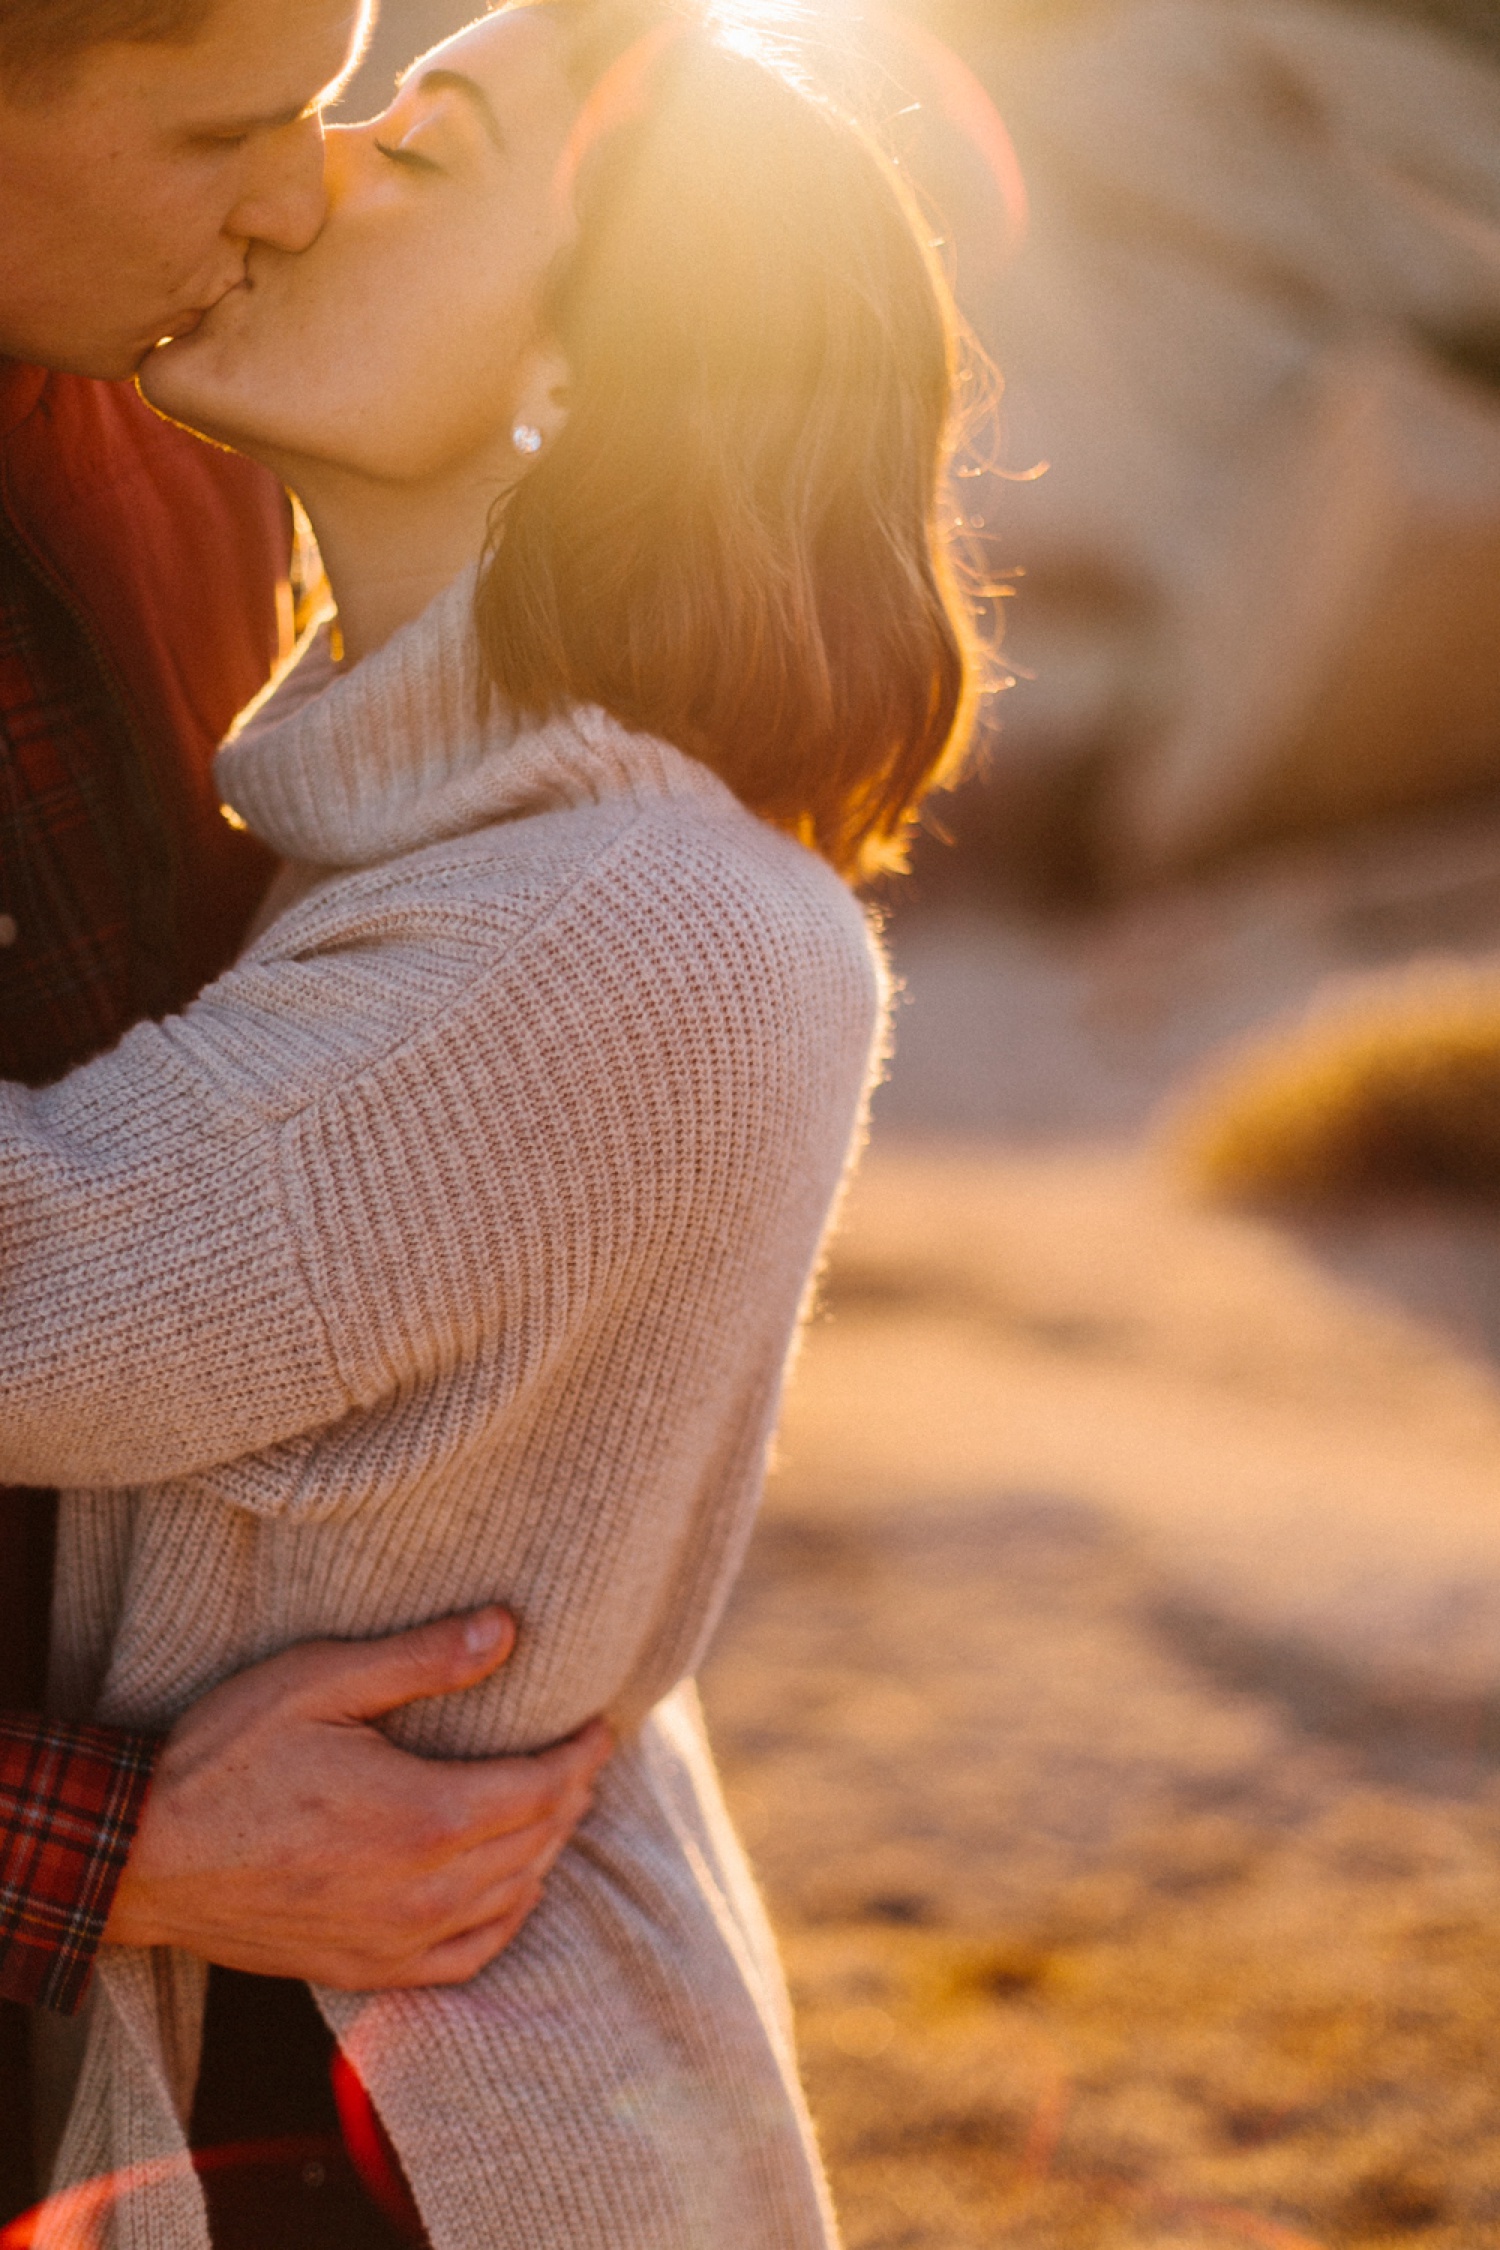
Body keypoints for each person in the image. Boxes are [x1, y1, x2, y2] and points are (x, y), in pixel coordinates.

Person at [1, 0, 977, 2243]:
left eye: (414, 156)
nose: (314, 178)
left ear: (581, 378)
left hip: (386, 2129)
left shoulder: (596, 929)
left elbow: (32, 1293)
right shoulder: (469, 848)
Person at [0, 0, 610, 2227]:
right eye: (221, 130)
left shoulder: (175, 447)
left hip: (215, 2020)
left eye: (332, 107)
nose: (297, 188)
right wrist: (105, 1837)